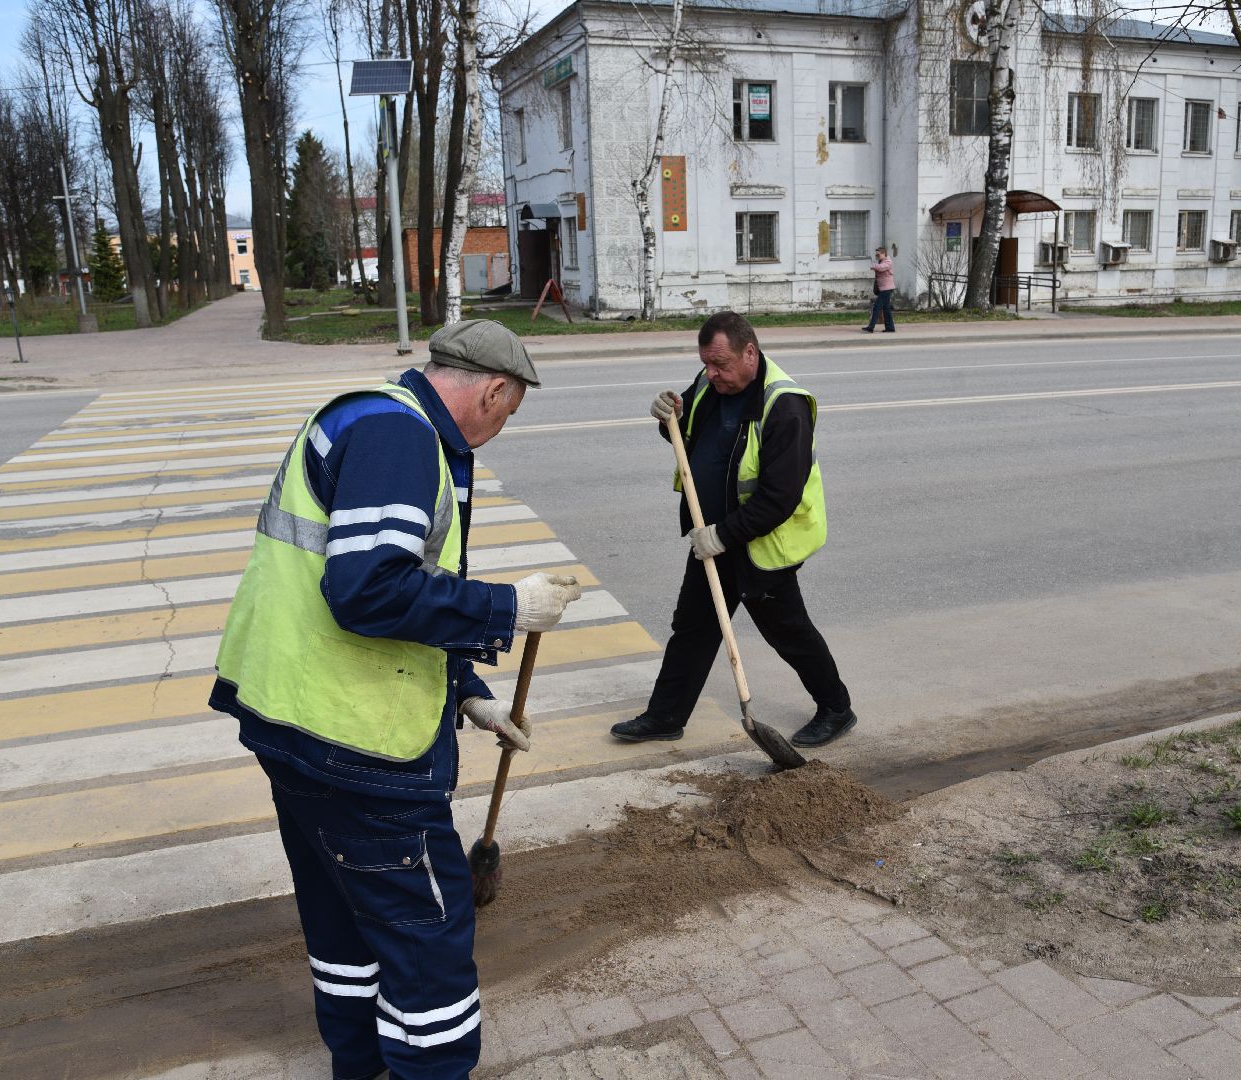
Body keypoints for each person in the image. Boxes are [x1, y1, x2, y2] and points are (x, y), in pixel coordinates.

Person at [209, 320, 582, 1080]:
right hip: (360, 749)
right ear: (495, 390)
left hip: (295, 725)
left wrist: (468, 692)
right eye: (506, 415)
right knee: (429, 939)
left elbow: (386, 584)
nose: (498, 430)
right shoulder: (402, 439)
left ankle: (362, 1064)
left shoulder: (367, 414)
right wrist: (506, 608)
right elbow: (369, 591)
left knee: (344, 922)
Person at [610, 311, 856, 749]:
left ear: (749, 352)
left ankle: (837, 708)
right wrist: (665, 415)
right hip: (712, 536)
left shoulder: (785, 406)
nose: (711, 373)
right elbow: (683, 436)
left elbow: (779, 498)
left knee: (789, 631)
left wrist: (722, 537)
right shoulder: (709, 384)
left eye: (720, 364)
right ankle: (665, 715)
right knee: (693, 627)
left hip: (760, 544)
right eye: (706, 363)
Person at [864, 247, 895, 333]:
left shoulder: (888, 261)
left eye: (878, 254)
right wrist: (875, 265)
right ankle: (890, 328)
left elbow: (881, 268)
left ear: (884, 254)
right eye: (876, 254)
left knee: (877, 307)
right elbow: (877, 267)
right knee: (886, 309)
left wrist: (874, 265)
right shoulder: (881, 261)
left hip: (887, 289)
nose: (876, 256)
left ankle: (871, 327)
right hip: (884, 288)